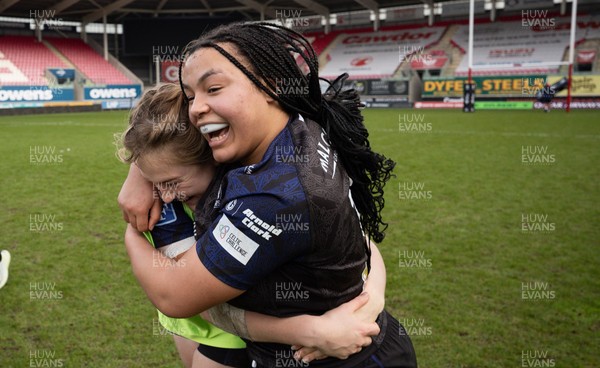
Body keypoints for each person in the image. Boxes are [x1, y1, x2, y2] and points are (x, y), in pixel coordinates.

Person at [121, 22, 416, 367]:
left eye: (213, 88)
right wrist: (139, 172)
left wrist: (132, 231)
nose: (196, 108)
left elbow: (176, 295)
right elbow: (359, 238)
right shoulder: (299, 126)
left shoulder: (271, 197)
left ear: (270, 86)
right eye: (191, 96)